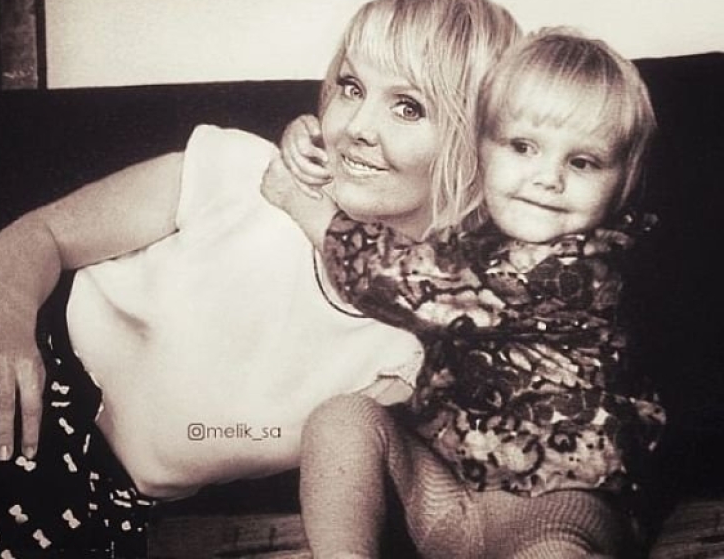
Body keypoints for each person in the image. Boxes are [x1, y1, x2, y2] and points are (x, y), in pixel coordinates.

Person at [0, 0, 521, 558]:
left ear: (478, 143)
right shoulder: (239, 170)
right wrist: (1, 326)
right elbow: (42, 236)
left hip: (82, 497)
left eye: (407, 107)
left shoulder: (423, 345)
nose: (356, 127)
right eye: (352, 87)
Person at [262, 28, 667, 558]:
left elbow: (408, 280)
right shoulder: (478, 231)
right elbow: (400, 191)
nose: (547, 178)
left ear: (624, 181)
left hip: (558, 507)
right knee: (340, 420)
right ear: (481, 147)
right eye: (522, 147)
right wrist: (313, 146)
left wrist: (309, 210)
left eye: (582, 162)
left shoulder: (583, 267)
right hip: (446, 497)